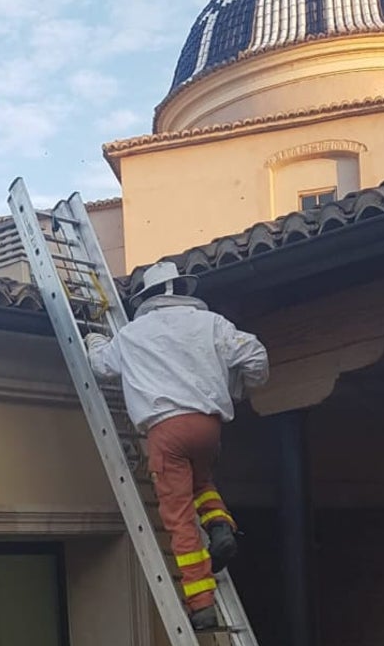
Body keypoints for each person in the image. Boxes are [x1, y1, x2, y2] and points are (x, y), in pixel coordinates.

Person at [84, 261, 269, 632]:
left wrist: (93, 339)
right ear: (181, 290)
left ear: (148, 297)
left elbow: (101, 367)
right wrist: (239, 387)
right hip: (209, 429)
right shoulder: (212, 323)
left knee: (179, 518)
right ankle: (221, 527)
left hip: (166, 431)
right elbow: (256, 356)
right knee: (201, 484)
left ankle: (201, 607)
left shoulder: (135, 333)